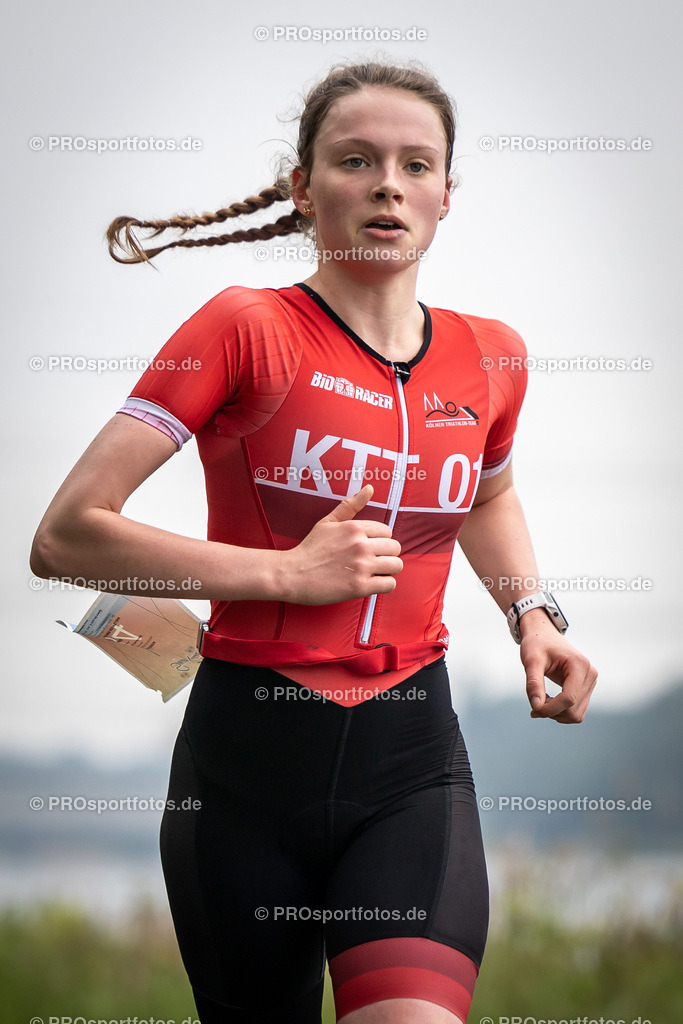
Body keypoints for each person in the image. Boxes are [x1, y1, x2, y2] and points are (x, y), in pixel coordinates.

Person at [30, 60, 598, 1024]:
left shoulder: (493, 353)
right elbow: (66, 536)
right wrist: (283, 574)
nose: (388, 182)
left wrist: (531, 615)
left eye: (417, 164)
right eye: (355, 159)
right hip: (243, 774)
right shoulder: (242, 328)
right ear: (303, 187)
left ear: (446, 195)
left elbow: (489, 492)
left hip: (409, 762)